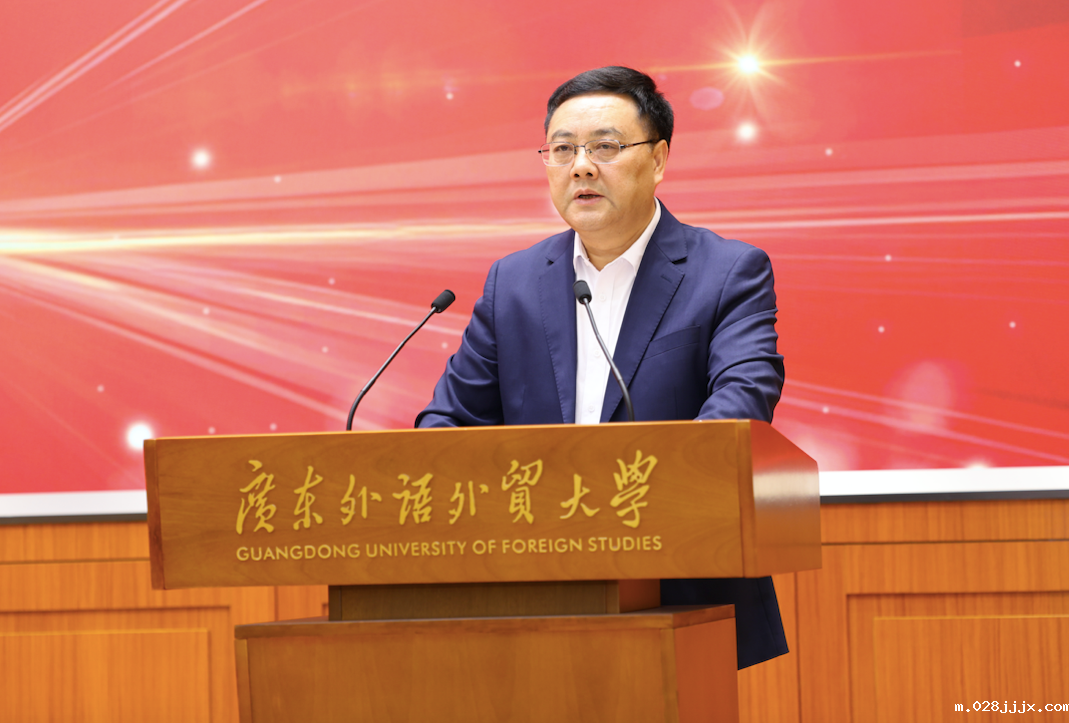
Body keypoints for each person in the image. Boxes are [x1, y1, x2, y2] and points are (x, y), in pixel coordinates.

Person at [416, 66, 787, 669]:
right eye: (563, 150)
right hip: (531, 594)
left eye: (606, 147)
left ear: (658, 159)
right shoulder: (513, 283)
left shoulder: (727, 272)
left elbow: (740, 403)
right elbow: (447, 424)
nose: (581, 167)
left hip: (681, 591)